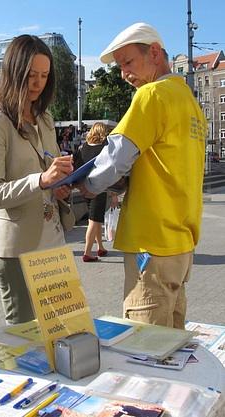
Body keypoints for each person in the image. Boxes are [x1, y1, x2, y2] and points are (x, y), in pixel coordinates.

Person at [77, 23, 206, 329]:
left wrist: (88, 185)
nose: (124, 73)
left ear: (155, 53)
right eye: (120, 66)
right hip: (181, 243)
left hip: (151, 242)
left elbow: (116, 158)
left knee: (144, 345)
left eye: (128, 62)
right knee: (172, 341)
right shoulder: (189, 102)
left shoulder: (152, 95)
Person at [0, 34, 75, 325]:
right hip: (16, 248)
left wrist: (61, 187)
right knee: (26, 337)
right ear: (14, 72)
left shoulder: (45, 119)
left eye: (45, 75)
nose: (38, 83)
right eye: (32, 75)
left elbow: (50, 174)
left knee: (64, 326)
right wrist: (41, 181)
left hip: (52, 240)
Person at [73, 122, 109, 262]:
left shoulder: (83, 148)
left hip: (84, 187)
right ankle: (87, 252)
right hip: (99, 188)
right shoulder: (104, 149)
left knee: (96, 218)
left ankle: (100, 246)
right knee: (93, 220)